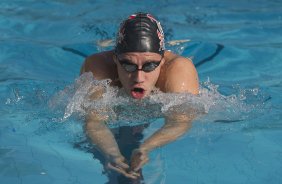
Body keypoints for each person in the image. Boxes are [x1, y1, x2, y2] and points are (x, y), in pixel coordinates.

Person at [80, 12, 199, 183]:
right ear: (115, 59)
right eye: (128, 64)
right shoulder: (99, 68)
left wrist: (146, 148)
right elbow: (93, 121)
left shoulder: (178, 71)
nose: (138, 77)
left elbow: (181, 121)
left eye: (150, 65)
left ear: (163, 60)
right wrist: (112, 155)